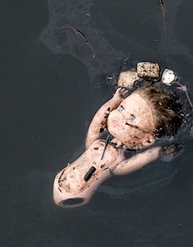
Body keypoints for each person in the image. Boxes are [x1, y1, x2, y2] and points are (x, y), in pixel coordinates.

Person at [53, 82, 184, 208]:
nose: (119, 117)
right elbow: (98, 121)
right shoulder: (93, 143)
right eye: (121, 108)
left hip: (109, 167)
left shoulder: (117, 166)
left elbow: (142, 157)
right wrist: (115, 99)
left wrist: (160, 152)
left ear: (148, 140)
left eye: (132, 118)